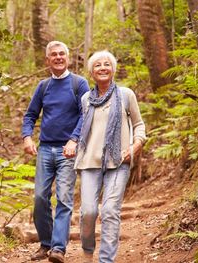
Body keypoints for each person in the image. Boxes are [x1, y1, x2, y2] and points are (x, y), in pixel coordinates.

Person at [74, 50, 146, 263]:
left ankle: (106, 260)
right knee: (88, 211)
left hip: (118, 162)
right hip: (89, 162)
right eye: (98, 65)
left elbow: (139, 124)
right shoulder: (86, 98)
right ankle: (87, 252)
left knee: (110, 211)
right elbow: (84, 129)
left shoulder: (126, 95)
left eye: (107, 64)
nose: (103, 68)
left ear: (113, 69)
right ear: (91, 72)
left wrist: (136, 144)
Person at [22, 41, 90, 263]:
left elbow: (86, 114)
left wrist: (74, 139)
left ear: (68, 58)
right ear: (47, 60)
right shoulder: (43, 86)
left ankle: (58, 249)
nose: (58, 57)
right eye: (54, 55)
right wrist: (26, 137)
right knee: (40, 198)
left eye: (62, 54)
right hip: (45, 149)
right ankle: (46, 244)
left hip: (67, 151)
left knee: (64, 198)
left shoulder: (79, 84)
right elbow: (30, 115)